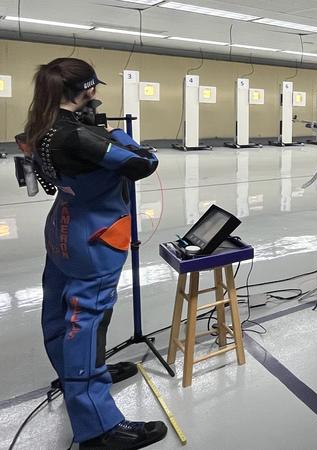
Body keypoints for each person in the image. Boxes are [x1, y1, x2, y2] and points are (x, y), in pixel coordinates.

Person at [21, 58, 165, 448]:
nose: (97, 94)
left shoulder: (41, 126)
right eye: (93, 88)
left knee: (58, 313)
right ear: (84, 90)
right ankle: (98, 426)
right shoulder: (78, 138)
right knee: (85, 321)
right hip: (95, 237)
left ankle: (78, 375)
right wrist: (121, 137)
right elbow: (143, 163)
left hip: (62, 230)